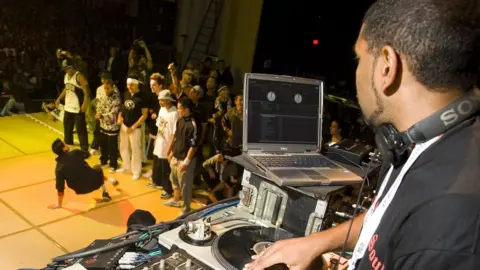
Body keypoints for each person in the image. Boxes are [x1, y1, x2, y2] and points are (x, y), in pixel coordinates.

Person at [247, 0, 480, 270]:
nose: (356, 70)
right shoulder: (417, 143)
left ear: (386, 66)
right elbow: (387, 217)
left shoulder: (449, 227)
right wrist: (316, 242)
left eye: (359, 58)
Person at [49, 139, 118, 209]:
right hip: (94, 183)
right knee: (97, 168)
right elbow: (87, 155)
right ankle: (105, 193)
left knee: (90, 172)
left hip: (79, 189)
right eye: (65, 144)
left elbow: (60, 188)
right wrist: (93, 150)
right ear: (64, 149)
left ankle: (110, 180)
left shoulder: (58, 169)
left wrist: (59, 204)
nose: (67, 144)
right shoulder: (75, 152)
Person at [165, 98, 201, 214]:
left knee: (185, 186)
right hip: (176, 156)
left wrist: (186, 162)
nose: (178, 110)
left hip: (185, 160)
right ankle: (176, 199)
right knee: (173, 179)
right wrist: (171, 152)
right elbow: (176, 137)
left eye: (179, 108)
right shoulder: (180, 120)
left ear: (186, 109)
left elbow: (194, 146)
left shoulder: (193, 124)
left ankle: (186, 209)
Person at [54, 59, 90, 155]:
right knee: (67, 127)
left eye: (68, 68)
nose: (67, 70)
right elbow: (66, 89)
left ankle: (84, 149)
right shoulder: (66, 76)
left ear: (72, 66)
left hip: (78, 107)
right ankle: (68, 144)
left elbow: (86, 91)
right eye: (65, 68)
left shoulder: (78, 76)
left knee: (80, 129)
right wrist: (59, 98)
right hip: (68, 106)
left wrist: (85, 103)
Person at [117, 74, 148, 180]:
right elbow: (122, 109)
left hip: (135, 128)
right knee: (123, 146)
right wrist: (119, 118)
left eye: (131, 85)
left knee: (135, 149)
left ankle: (136, 170)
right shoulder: (125, 94)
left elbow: (144, 115)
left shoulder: (142, 96)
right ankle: (126, 166)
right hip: (124, 126)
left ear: (136, 84)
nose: (129, 87)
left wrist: (133, 127)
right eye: (128, 85)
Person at [151, 90, 178, 199]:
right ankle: (157, 182)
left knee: (166, 169)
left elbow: (174, 134)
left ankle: (168, 190)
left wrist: (170, 148)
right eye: (159, 100)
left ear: (168, 100)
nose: (160, 102)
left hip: (167, 144)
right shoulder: (162, 109)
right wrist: (156, 138)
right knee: (157, 165)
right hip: (160, 142)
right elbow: (159, 126)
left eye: (162, 100)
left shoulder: (174, 113)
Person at [96, 78, 121, 173]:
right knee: (103, 146)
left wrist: (101, 116)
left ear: (112, 88)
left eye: (108, 88)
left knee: (112, 147)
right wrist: (98, 113)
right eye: (105, 88)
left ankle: (113, 164)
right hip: (103, 126)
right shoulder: (103, 97)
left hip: (112, 127)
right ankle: (104, 161)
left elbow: (113, 114)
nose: (106, 90)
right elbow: (99, 106)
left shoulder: (116, 99)